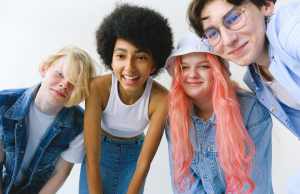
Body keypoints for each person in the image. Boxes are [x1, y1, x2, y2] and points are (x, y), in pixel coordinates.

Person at [79, 4, 173, 194]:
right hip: (99, 153)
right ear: (110, 59)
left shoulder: (162, 99)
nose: (129, 67)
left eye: (141, 58)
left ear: (154, 64)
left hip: (135, 156)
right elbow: (92, 158)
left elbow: (144, 164)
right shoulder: (97, 88)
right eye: (121, 56)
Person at [165, 32, 272, 194]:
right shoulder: (175, 116)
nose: (192, 74)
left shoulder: (251, 110)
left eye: (204, 66)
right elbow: (186, 184)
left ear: (219, 72)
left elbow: (255, 185)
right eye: (184, 67)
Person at [188, 0, 300, 140]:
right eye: (212, 34)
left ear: (266, 5)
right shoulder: (254, 80)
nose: (228, 40)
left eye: (234, 18)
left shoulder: (286, 28)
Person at [0, 46, 96, 194]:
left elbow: (60, 173)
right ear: (45, 69)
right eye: (60, 74)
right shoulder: (4, 103)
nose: (65, 84)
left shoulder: (79, 125)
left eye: (74, 83)